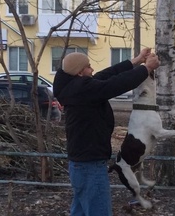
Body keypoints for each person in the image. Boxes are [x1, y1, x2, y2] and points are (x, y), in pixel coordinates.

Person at [53, 48, 160, 216]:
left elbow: (106, 75)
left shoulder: (75, 87)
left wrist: (136, 60)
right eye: (88, 66)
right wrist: (146, 68)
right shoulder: (83, 89)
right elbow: (115, 84)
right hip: (90, 166)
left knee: (80, 212)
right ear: (80, 73)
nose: (92, 69)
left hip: (81, 165)